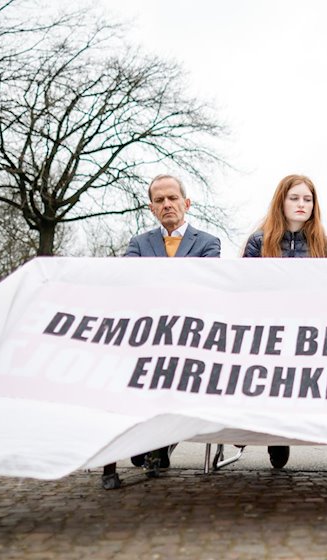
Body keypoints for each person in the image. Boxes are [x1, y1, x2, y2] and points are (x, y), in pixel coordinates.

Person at [102, 174, 221, 489]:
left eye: (172, 198)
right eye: (159, 200)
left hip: (187, 336)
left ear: (187, 202)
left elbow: (204, 285)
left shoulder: (208, 243)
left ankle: (159, 445)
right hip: (147, 333)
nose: (167, 205)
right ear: (151, 208)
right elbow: (133, 282)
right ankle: (137, 449)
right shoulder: (139, 244)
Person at [242, 174, 327, 469]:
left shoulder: (326, 244)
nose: (301, 204)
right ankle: (275, 437)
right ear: (281, 202)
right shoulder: (259, 241)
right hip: (268, 327)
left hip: (310, 329)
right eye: (294, 198)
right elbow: (244, 287)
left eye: (307, 199)